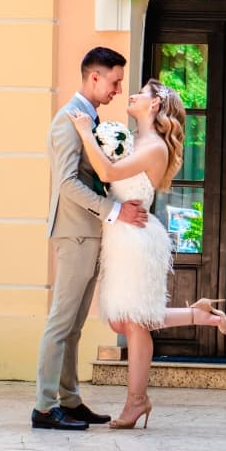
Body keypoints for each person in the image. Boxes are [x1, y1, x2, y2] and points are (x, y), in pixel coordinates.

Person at [67, 78, 226, 429]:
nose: (134, 95)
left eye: (143, 93)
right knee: (122, 319)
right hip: (121, 234)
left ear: (154, 105)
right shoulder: (137, 140)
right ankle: (198, 314)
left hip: (136, 238)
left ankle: (137, 401)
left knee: (136, 323)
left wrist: (83, 132)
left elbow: (108, 172)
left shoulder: (154, 146)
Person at [33, 46, 149, 431]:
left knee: (75, 326)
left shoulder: (90, 119)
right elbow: (67, 183)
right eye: (115, 81)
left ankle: (70, 399)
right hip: (74, 234)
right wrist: (114, 211)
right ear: (94, 77)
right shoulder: (68, 121)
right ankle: (45, 407)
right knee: (60, 322)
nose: (118, 89)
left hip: (88, 234)